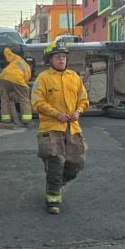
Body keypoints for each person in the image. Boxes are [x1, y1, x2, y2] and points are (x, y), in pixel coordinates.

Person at [31, 46, 89, 215]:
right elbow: (37, 102)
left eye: (63, 56)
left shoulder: (74, 77)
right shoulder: (43, 78)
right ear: (50, 60)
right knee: (56, 161)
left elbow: (83, 99)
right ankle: (53, 199)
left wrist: (78, 111)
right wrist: (56, 114)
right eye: (57, 57)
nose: (61, 59)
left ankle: (55, 182)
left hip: (72, 127)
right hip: (51, 127)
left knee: (77, 162)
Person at [0, 46, 33, 126]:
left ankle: (6, 119)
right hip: (17, 79)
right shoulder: (28, 70)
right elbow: (23, 83)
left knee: (4, 99)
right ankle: (26, 120)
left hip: (3, 77)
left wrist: (7, 48)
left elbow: (7, 52)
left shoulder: (17, 58)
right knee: (24, 98)